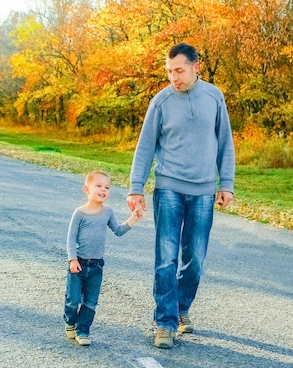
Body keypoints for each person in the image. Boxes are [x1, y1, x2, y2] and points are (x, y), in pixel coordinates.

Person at [127, 43, 235, 349]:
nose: (173, 77)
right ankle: (165, 322)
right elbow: (145, 147)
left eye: (179, 70)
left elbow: (225, 143)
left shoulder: (214, 97)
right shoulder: (161, 102)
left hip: (203, 191)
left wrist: (225, 183)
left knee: (195, 260)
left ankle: (180, 307)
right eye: (169, 71)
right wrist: (136, 187)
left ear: (196, 67)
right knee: (166, 259)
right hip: (169, 188)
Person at [64, 170, 143, 346]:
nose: (103, 189)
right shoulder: (80, 213)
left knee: (90, 302)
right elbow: (70, 238)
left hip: (96, 266)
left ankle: (82, 330)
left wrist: (133, 219)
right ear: (87, 189)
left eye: (107, 187)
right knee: (73, 300)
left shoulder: (107, 212)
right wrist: (72, 259)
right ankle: (70, 321)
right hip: (79, 264)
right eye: (98, 186)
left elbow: (118, 231)